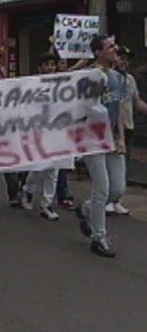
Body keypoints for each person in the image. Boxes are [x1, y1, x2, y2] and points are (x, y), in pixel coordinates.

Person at [76, 36, 126, 257]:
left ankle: (86, 209)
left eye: (115, 46)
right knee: (102, 188)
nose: (115, 49)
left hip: (113, 139)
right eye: (110, 46)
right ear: (98, 52)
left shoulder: (118, 77)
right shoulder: (91, 77)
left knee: (117, 189)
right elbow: (87, 109)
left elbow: (119, 109)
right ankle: (99, 237)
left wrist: (121, 136)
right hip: (93, 140)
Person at [21, 53, 62, 221]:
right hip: (38, 132)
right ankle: (28, 190)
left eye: (52, 65)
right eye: (46, 65)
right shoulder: (33, 86)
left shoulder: (62, 86)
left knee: (54, 168)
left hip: (57, 132)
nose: (49, 68)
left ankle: (47, 204)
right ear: (39, 68)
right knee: (39, 167)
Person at [110, 45, 147, 215]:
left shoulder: (130, 79)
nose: (124, 62)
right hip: (112, 128)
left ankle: (116, 199)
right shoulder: (109, 78)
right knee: (111, 164)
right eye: (121, 58)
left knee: (124, 165)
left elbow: (136, 101)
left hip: (128, 127)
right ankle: (107, 199)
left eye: (127, 59)